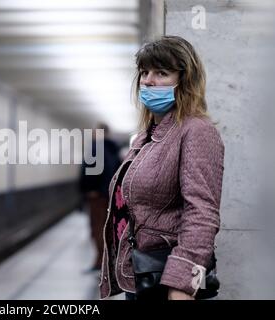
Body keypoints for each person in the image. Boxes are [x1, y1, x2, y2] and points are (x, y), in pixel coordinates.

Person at [98, 35, 225, 300]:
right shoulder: (148, 136)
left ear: (184, 81)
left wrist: (182, 285)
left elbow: (201, 213)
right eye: (144, 72)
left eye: (162, 72)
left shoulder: (196, 131)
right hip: (143, 276)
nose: (148, 80)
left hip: (169, 284)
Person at [79, 123, 121, 271]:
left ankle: (102, 262)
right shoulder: (113, 149)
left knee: (97, 228)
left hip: (98, 194)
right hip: (110, 194)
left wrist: (91, 189)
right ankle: (106, 260)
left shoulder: (97, 148)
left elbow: (91, 169)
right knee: (106, 227)